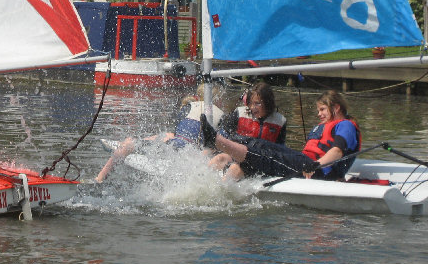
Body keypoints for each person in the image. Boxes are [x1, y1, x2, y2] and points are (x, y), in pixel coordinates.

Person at [200, 89, 360, 180]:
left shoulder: (346, 125)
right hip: (306, 162)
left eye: (322, 109)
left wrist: (317, 164)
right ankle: (218, 146)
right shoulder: (324, 126)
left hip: (315, 169)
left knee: (262, 153)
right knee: (257, 145)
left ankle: (216, 141)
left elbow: (337, 151)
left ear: (336, 108)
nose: (319, 114)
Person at [95, 85, 225, 183]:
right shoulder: (221, 115)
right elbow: (219, 143)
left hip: (173, 146)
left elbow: (178, 132)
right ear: (217, 99)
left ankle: (99, 178)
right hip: (190, 153)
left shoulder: (188, 107)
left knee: (166, 135)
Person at [207, 82, 287, 180]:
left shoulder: (280, 121)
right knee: (218, 159)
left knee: (234, 169)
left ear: (267, 102)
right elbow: (223, 136)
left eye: (257, 103)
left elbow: (281, 150)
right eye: (250, 103)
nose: (252, 107)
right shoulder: (239, 113)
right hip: (238, 155)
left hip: (260, 161)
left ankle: (221, 190)